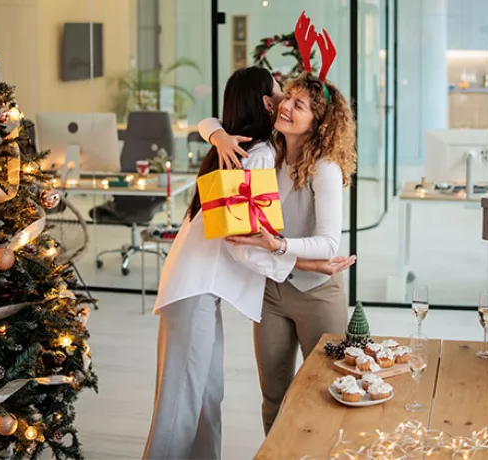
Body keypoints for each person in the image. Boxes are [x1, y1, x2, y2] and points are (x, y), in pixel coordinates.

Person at [142, 66, 354, 459]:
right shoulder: (257, 154)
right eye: (281, 94)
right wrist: (300, 265)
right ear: (265, 103)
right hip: (200, 285)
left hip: (202, 286)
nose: (283, 103)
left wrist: (216, 133)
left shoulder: (255, 150)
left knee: (207, 397)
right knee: (183, 403)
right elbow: (242, 243)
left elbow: (306, 241)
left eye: (295, 101)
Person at [198, 65, 356, 434]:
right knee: (273, 394)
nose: (287, 106)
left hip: (317, 294)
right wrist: (219, 136)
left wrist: (278, 244)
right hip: (270, 291)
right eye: (288, 98)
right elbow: (206, 121)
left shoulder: (325, 168)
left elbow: (329, 244)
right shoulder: (268, 151)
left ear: (319, 122)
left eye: (300, 105)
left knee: (330, 390)